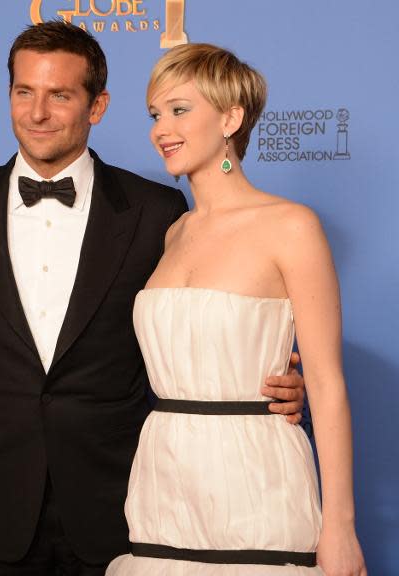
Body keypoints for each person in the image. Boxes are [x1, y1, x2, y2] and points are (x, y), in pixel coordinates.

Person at [0, 23, 305, 576]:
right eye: (24, 92)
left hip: (124, 495)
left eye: (60, 95)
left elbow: (202, 323)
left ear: (97, 105)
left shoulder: (158, 210)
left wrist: (278, 377)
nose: (37, 113)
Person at [106, 44, 366, 575]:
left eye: (180, 110)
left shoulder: (291, 226)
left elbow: (327, 385)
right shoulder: (173, 231)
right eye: (155, 114)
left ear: (231, 117)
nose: (161, 129)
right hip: (165, 482)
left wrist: (340, 527)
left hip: (256, 481)